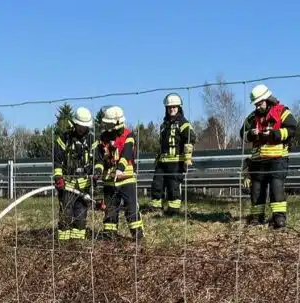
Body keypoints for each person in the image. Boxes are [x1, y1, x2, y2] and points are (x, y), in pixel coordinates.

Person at [240, 84, 297, 228]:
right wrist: (250, 134)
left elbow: (292, 128)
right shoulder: (252, 117)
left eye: (260, 103)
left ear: (267, 99)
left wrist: (275, 134)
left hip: (277, 158)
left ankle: (279, 218)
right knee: (256, 190)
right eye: (256, 104)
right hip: (258, 160)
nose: (258, 107)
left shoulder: (282, 111)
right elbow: (242, 134)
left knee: (276, 188)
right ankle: (257, 217)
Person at [94, 106, 144, 243]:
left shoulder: (128, 135)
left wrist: (120, 168)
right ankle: (109, 237)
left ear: (117, 123)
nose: (106, 126)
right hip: (109, 180)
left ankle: (138, 238)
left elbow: (127, 153)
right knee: (110, 210)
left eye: (109, 124)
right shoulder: (103, 138)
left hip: (126, 179)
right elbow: (99, 158)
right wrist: (98, 170)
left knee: (131, 208)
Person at [53, 106, 96, 242]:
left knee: (81, 216)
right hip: (68, 185)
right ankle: (63, 243)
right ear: (75, 124)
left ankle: (77, 244)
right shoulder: (64, 138)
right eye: (80, 126)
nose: (83, 129)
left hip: (84, 186)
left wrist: (96, 173)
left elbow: (97, 160)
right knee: (66, 214)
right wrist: (59, 177)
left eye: (85, 127)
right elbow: (57, 160)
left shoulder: (92, 140)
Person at [151, 93, 195, 215]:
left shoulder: (183, 123)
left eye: (174, 107)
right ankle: (156, 208)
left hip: (176, 162)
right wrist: (158, 158)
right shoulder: (164, 124)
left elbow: (191, 138)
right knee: (157, 184)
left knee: (173, 186)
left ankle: (173, 210)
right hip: (162, 161)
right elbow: (162, 144)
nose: (172, 109)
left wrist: (187, 157)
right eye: (169, 107)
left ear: (179, 108)